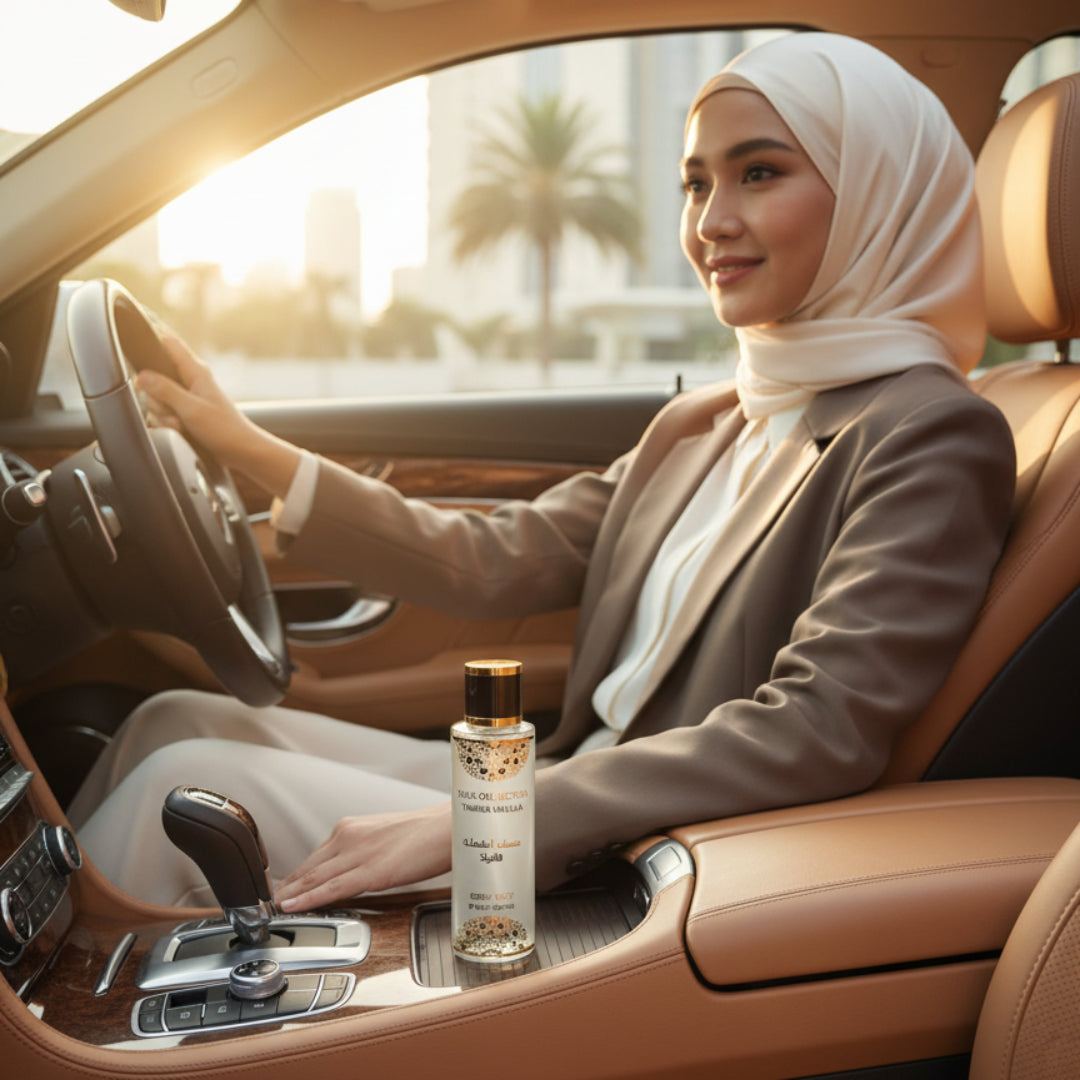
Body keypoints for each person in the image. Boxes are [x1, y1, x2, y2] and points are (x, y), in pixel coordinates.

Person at [68, 32, 1016, 912]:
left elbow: (815, 728)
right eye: (694, 185)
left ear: (880, 192)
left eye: (759, 173)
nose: (711, 222)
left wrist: (482, 819)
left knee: (172, 790)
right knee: (171, 721)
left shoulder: (930, 433)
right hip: (547, 786)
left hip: (642, 855)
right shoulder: (709, 419)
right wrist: (243, 446)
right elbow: (493, 559)